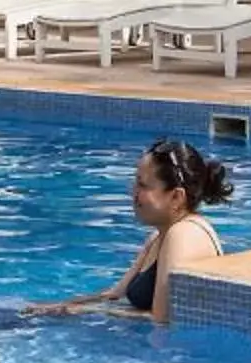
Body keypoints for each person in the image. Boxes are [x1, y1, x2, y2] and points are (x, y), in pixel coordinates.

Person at [31, 138, 234, 326]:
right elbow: (113, 295)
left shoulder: (184, 234)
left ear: (176, 197)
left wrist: (86, 312)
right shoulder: (158, 236)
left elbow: (161, 320)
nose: (133, 192)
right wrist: (58, 307)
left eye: (143, 185)